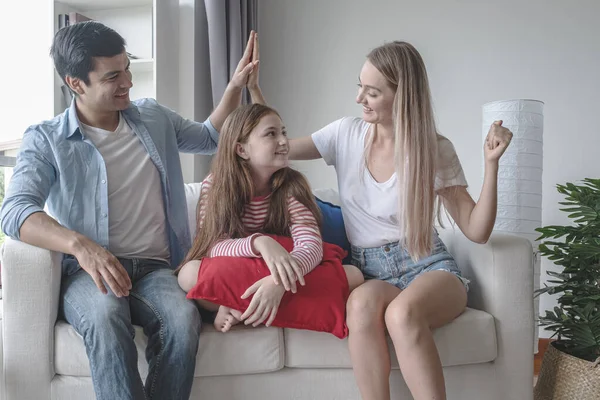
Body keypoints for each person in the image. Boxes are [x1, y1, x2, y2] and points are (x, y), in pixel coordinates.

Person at [0, 21, 259, 400]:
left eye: (127, 69)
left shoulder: (152, 117)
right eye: (112, 77)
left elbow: (209, 138)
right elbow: (15, 211)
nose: (128, 83)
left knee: (182, 320)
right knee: (106, 318)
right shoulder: (47, 139)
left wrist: (235, 87)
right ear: (76, 83)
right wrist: (82, 246)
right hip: (87, 274)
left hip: (155, 268)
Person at [248, 40, 513, 400]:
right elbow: (276, 146)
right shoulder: (344, 134)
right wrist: (253, 92)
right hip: (371, 270)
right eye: (359, 86)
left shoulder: (433, 149)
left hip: (428, 265)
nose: (360, 99)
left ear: (401, 96)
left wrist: (491, 165)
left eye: (372, 92)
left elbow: (476, 230)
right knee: (359, 306)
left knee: (402, 314)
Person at [176, 103, 364, 333]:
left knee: (353, 275)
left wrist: (277, 283)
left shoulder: (292, 187)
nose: (284, 141)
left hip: (285, 268)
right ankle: (267, 307)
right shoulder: (215, 186)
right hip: (241, 266)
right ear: (241, 149)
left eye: (283, 132)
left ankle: (239, 307)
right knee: (189, 274)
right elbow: (214, 246)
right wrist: (260, 243)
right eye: (271, 134)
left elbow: (311, 246)